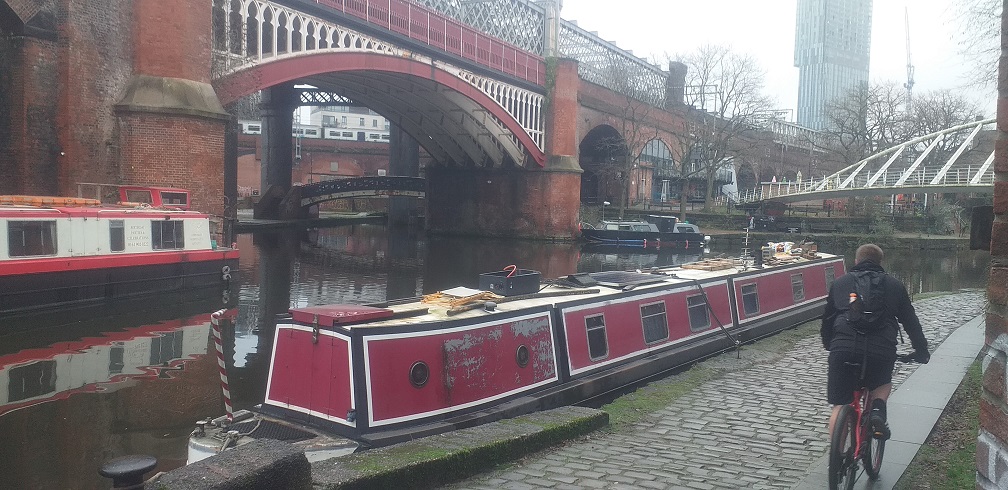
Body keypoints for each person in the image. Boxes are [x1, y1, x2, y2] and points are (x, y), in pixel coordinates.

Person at [821, 243, 930, 439]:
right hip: (881, 350)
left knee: (840, 406)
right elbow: (911, 322)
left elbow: (828, 319)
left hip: (843, 348)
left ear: (856, 261)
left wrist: (830, 345)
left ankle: (836, 463)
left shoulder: (840, 283)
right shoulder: (895, 286)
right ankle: (877, 413)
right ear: (881, 262)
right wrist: (921, 351)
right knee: (881, 384)